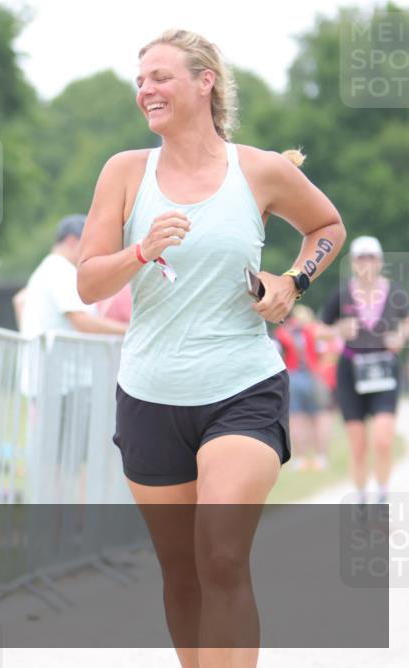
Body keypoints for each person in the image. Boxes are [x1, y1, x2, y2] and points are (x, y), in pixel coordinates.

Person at [77, 29, 345, 667]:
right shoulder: (124, 172)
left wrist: (292, 281)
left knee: (221, 555)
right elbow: (88, 282)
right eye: (141, 80)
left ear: (206, 82)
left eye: (162, 77)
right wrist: (141, 250)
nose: (147, 89)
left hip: (242, 386)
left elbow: (327, 228)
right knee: (181, 572)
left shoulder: (259, 170)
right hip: (150, 394)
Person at [321, 236, 408, 506]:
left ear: (380, 261)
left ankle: (382, 494)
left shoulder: (394, 291)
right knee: (358, 445)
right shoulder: (342, 293)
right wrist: (338, 331)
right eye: (360, 258)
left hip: (384, 368)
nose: (366, 263)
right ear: (353, 263)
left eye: (371, 257)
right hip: (351, 369)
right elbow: (320, 328)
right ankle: (361, 497)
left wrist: (400, 337)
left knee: (382, 440)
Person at [18, 214, 127, 338]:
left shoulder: (49, 267)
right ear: (72, 241)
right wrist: (129, 331)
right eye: (89, 242)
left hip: (43, 355)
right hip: (53, 356)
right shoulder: (61, 270)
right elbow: (82, 323)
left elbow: (19, 300)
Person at [275, 304, 328, 471]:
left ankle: (300, 460)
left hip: (292, 376)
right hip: (313, 374)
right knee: (318, 418)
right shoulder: (313, 330)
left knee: (296, 419)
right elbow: (323, 353)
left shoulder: (282, 332)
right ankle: (320, 458)